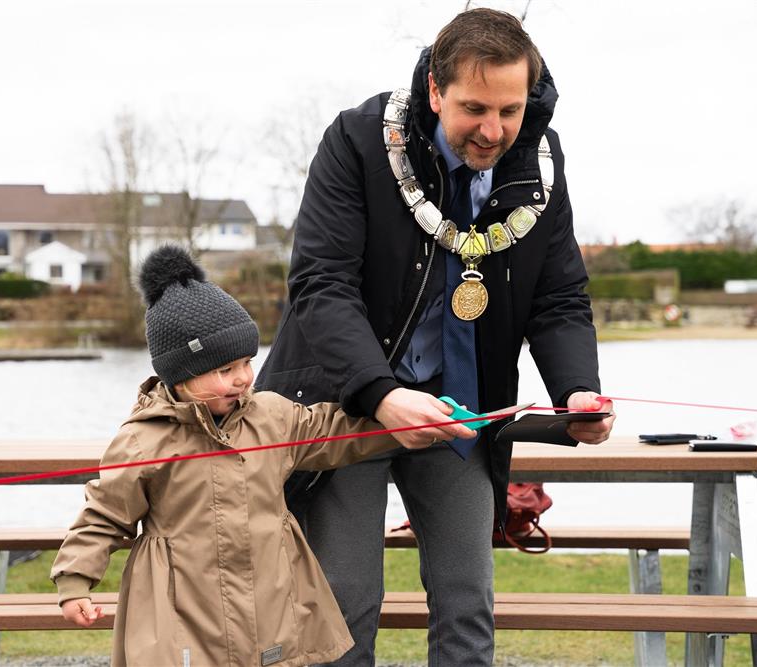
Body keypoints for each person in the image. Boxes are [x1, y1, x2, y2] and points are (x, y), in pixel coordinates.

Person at [256, 8, 616, 666]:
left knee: (467, 598)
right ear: (434, 91)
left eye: (509, 109)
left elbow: (559, 294)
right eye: (474, 108)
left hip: (458, 412)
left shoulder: (539, 155)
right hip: (346, 405)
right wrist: (381, 392)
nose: (493, 130)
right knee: (344, 602)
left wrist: (577, 392)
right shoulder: (359, 140)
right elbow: (321, 283)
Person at [50, 245, 447, 667]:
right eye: (225, 370)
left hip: (268, 602)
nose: (242, 378)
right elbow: (104, 516)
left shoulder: (271, 415)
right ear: (180, 375)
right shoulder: (142, 442)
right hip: (182, 611)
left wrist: (402, 423)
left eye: (246, 362)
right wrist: (75, 581)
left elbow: (333, 431)